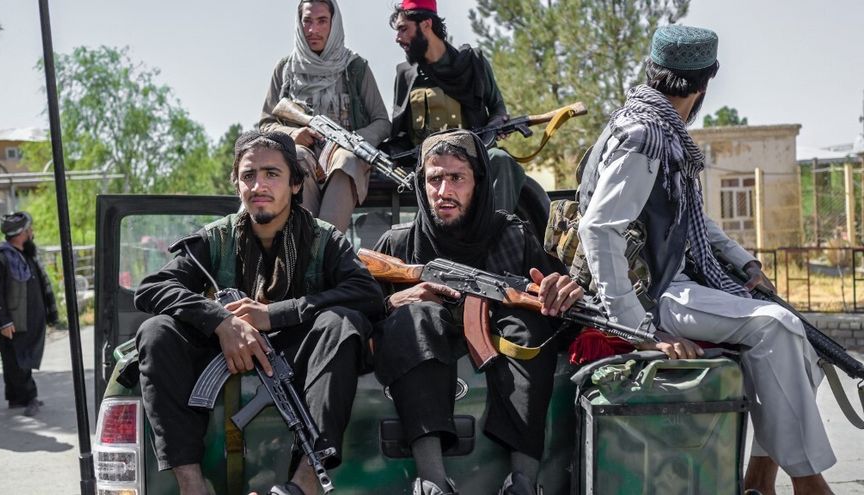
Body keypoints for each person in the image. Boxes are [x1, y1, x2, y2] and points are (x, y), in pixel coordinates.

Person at [576, 25, 835, 495]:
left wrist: (743, 263)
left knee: (797, 345)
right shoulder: (645, 136)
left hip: (673, 281)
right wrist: (638, 329)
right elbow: (598, 228)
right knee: (775, 327)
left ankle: (760, 481)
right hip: (653, 294)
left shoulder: (658, 130)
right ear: (703, 85)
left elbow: (691, 217)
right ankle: (808, 483)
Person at [134, 130, 384, 495]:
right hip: (224, 353)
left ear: (295, 184)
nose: (258, 185)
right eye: (248, 175)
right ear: (236, 183)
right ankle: (192, 484)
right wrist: (221, 321)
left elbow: (367, 295)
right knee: (157, 331)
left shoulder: (324, 239)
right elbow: (152, 288)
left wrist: (275, 314)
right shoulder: (217, 238)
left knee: (340, 324)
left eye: (272, 174)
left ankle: (305, 484)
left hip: (301, 355)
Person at [372, 129, 582, 495]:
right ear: (421, 184)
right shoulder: (399, 244)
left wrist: (562, 294)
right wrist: (393, 302)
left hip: (499, 350)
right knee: (414, 318)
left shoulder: (512, 238)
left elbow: (561, 320)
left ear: (479, 183)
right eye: (434, 179)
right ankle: (433, 481)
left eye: (457, 178)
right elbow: (359, 314)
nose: (444, 191)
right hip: (420, 356)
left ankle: (522, 480)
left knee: (528, 325)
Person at [386, 0, 532, 214]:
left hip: (471, 158)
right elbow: (401, 133)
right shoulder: (405, 74)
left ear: (426, 25)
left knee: (500, 160)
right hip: (428, 165)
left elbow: (497, 109)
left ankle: (497, 227)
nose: (398, 38)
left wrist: (493, 129)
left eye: (403, 29)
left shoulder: (472, 62)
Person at [259, 0, 390, 234]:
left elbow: (382, 122)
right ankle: (305, 245)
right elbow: (266, 124)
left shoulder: (354, 68)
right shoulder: (286, 69)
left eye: (322, 21)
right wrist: (293, 135)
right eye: (307, 21)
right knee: (298, 157)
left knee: (346, 161)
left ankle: (325, 246)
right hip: (303, 157)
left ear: (334, 23)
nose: (313, 30)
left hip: (344, 156)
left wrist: (352, 141)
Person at [0, 212, 58, 417]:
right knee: (17, 361)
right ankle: (29, 397)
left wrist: (50, 314)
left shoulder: (26, 255)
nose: (31, 233)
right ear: (20, 234)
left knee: (17, 360)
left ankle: (16, 399)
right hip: (12, 322)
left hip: (29, 320)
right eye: (29, 230)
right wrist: (4, 322)